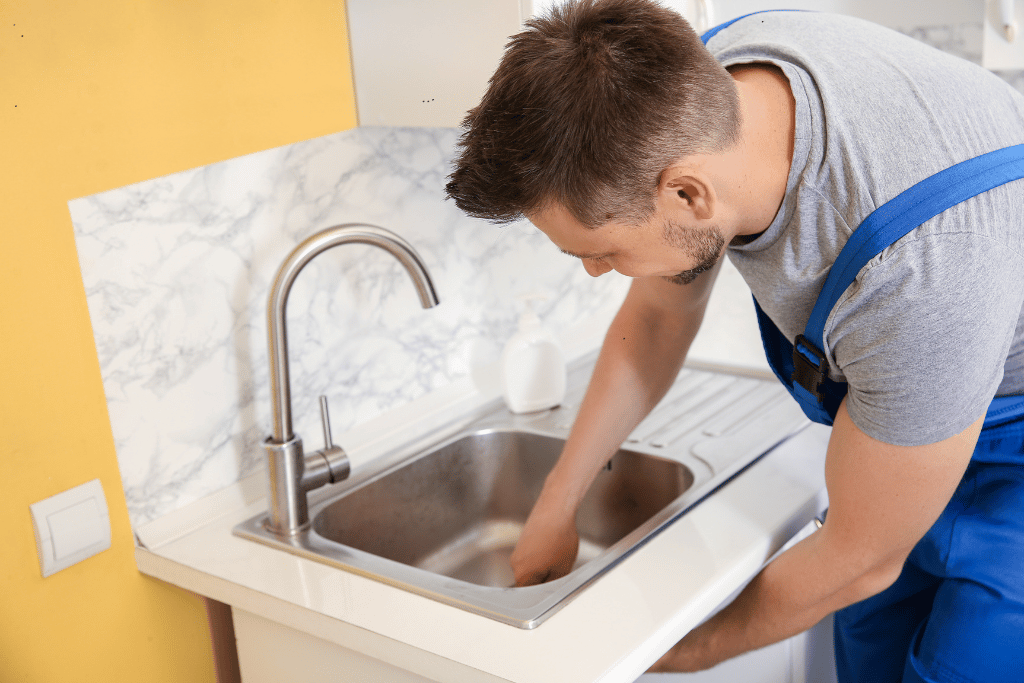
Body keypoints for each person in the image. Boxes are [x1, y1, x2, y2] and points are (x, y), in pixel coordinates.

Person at [445, 2, 1024, 681]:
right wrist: (557, 501)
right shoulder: (696, 88)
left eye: (600, 251)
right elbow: (659, 318)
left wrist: (660, 654)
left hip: (1009, 446)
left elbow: (861, 563)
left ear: (688, 196)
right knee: (867, 653)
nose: (594, 271)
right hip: (907, 424)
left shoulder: (920, 274)